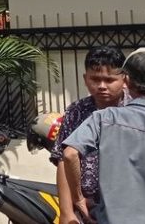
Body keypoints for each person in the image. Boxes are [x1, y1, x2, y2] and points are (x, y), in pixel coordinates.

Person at [62, 48, 145, 224]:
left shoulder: (104, 118)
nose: (102, 86)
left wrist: (78, 198)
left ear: (126, 81)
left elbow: (69, 154)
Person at [50, 46, 125, 224]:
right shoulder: (77, 111)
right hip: (86, 206)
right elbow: (63, 159)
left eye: (109, 80)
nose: (102, 86)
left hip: (125, 205)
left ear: (124, 79)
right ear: (85, 79)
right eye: (95, 79)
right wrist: (67, 213)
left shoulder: (134, 111)